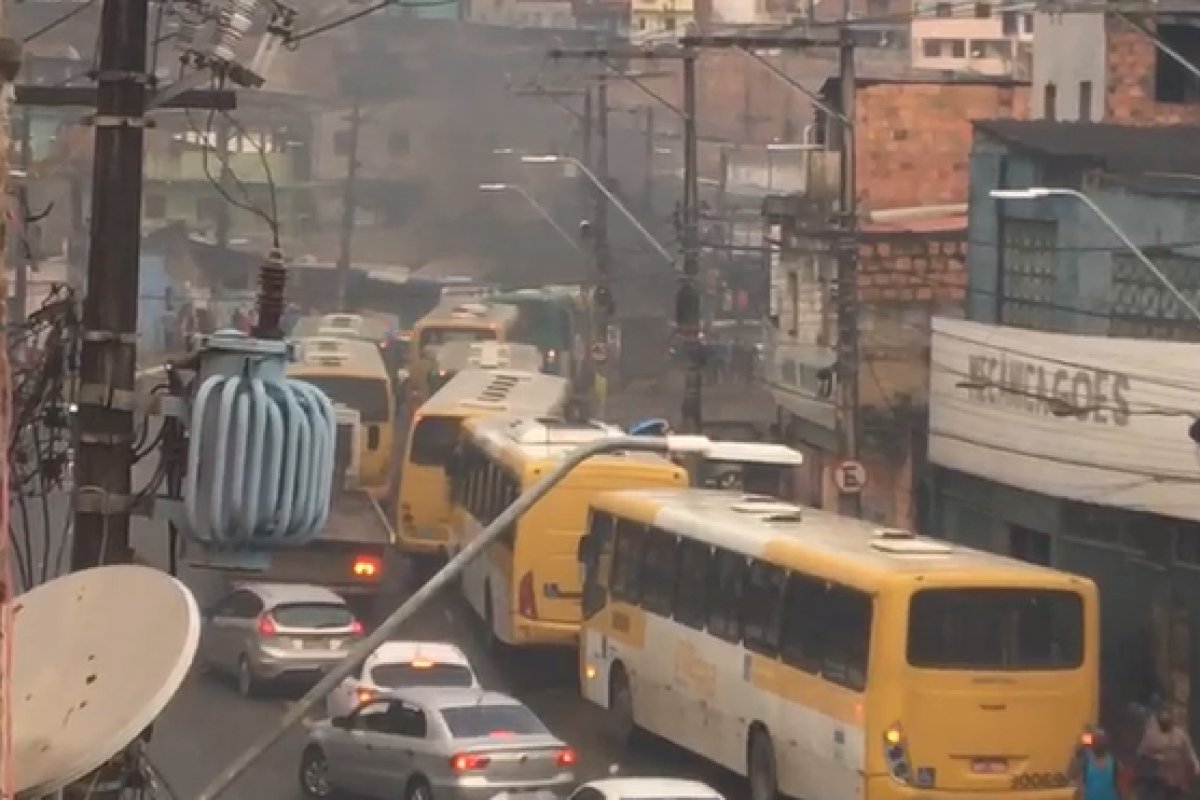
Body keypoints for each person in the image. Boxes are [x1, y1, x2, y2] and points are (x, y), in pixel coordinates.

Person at [1138, 706, 1200, 800]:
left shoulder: (1180, 734)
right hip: (1159, 776)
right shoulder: (1152, 735)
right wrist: (1156, 757)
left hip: (1177, 774)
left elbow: (1189, 750)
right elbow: (1142, 752)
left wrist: (1196, 765)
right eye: (1163, 720)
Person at [1071, 729, 1121, 800]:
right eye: (1096, 741)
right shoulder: (1086, 761)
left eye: (1100, 741)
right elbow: (1079, 785)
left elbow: (1119, 786)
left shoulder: (1113, 762)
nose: (1098, 743)